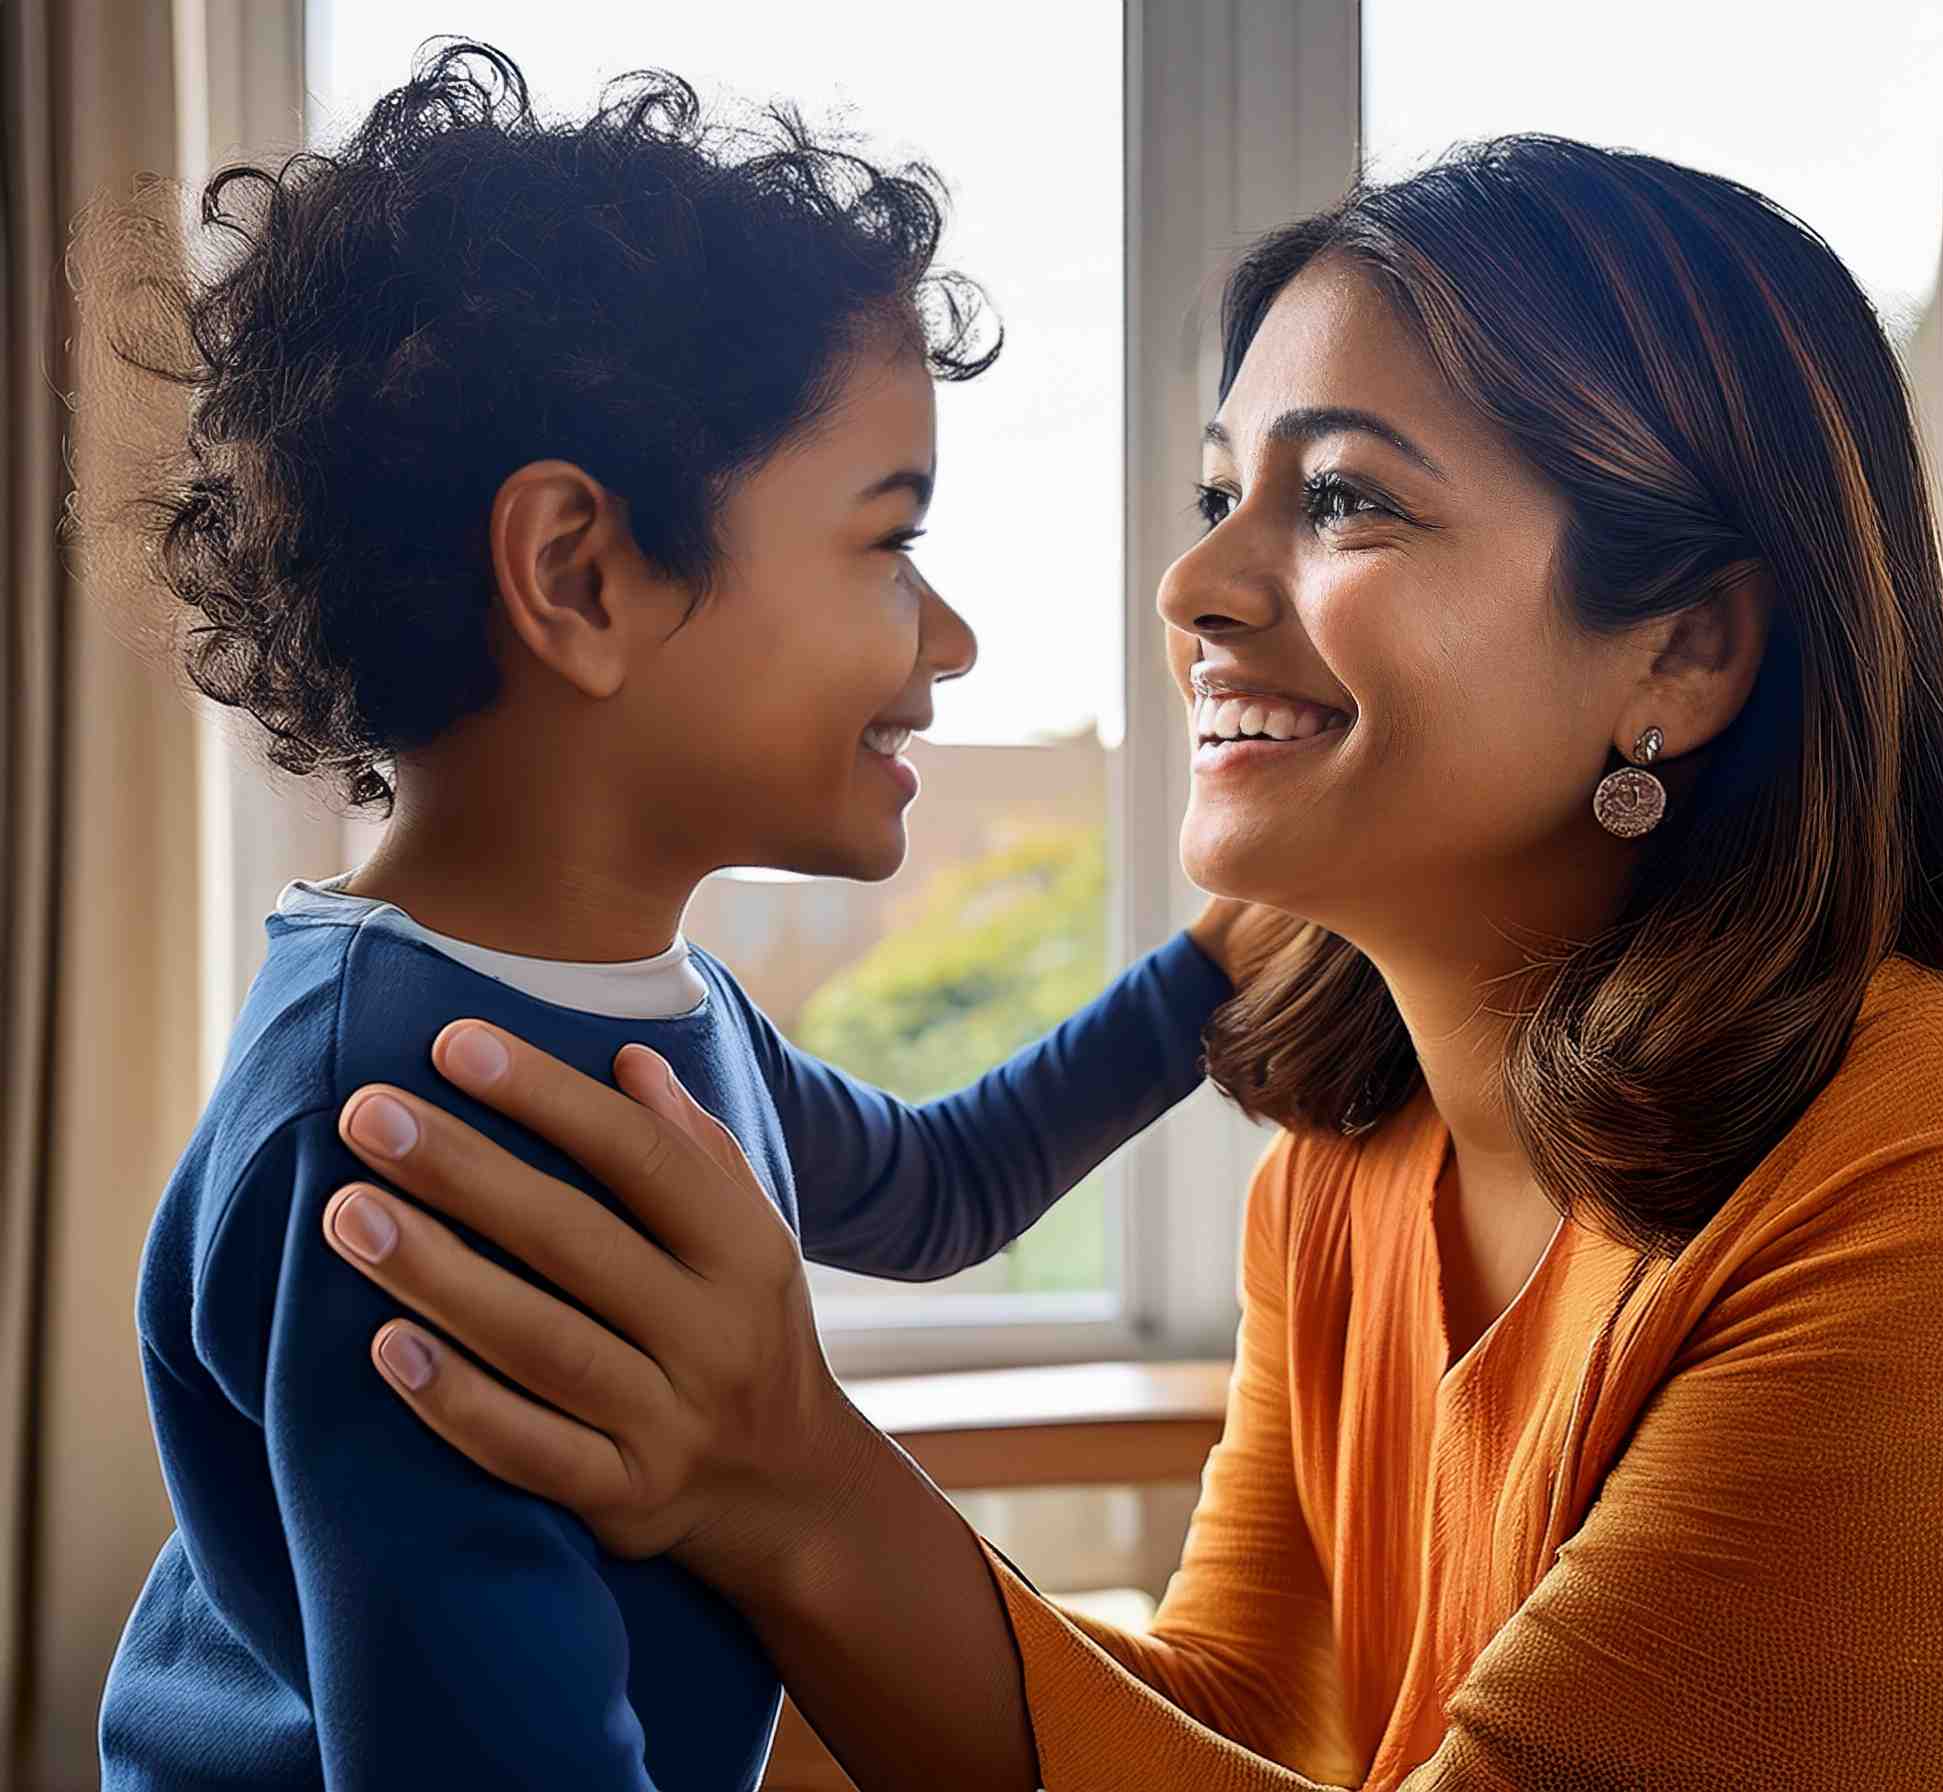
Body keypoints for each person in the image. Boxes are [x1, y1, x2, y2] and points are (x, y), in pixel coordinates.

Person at [306, 130, 1943, 1790]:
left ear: (1685, 650)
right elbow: (1249, 1730)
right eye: (1215, 491)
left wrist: (800, 1491)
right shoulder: (1345, 1183)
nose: (1193, 584)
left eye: (1343, 496)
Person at [92, 41, 1271, 1791]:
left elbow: (941, 1190)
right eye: (889, 543)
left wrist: (1211, 975)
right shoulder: (412, 1134)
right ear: (580, 575)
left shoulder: (645, 1003)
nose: (945, 640)